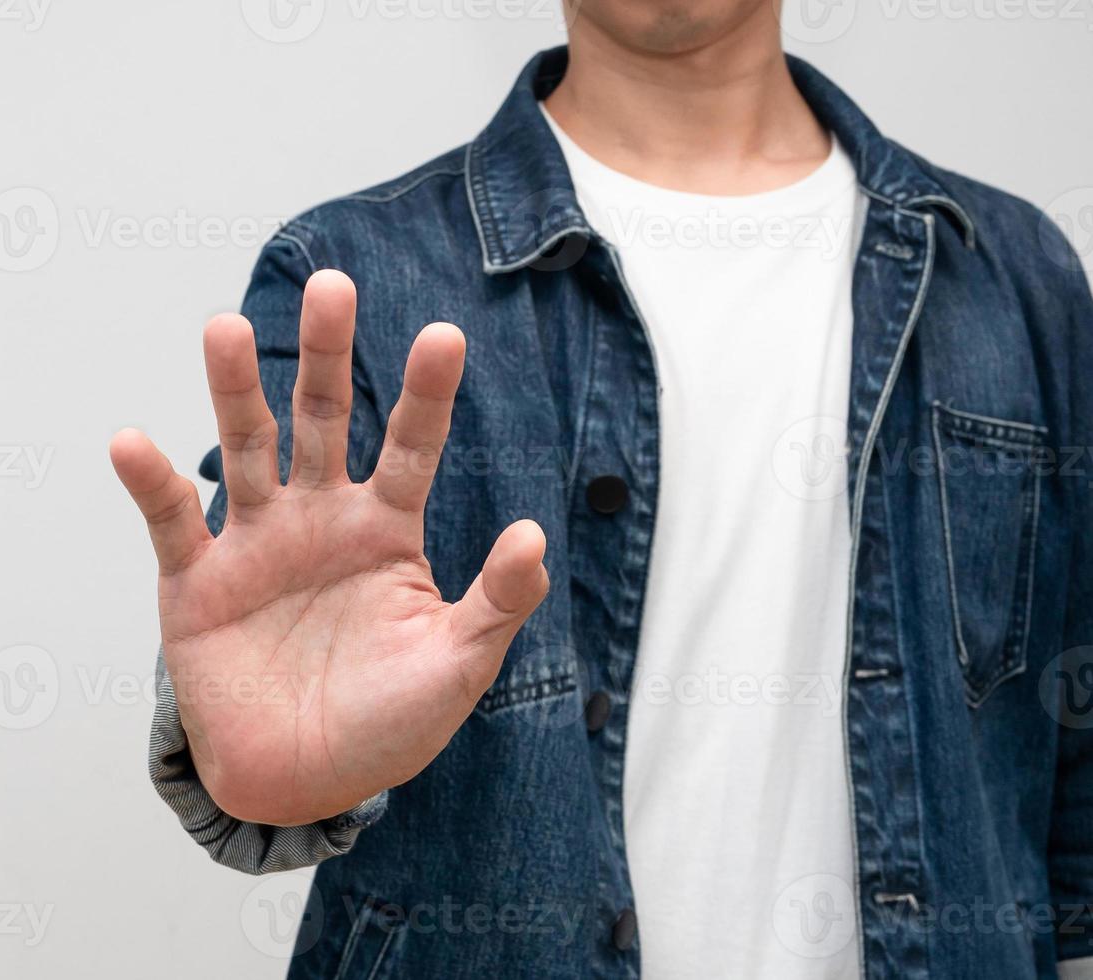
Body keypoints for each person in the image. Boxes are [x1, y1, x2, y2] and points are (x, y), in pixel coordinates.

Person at [108, 2, 1093, 976]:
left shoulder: (1016, 279)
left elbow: (1071, 816)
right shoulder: (347, 273)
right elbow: (266, 643)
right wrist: (247, 726)